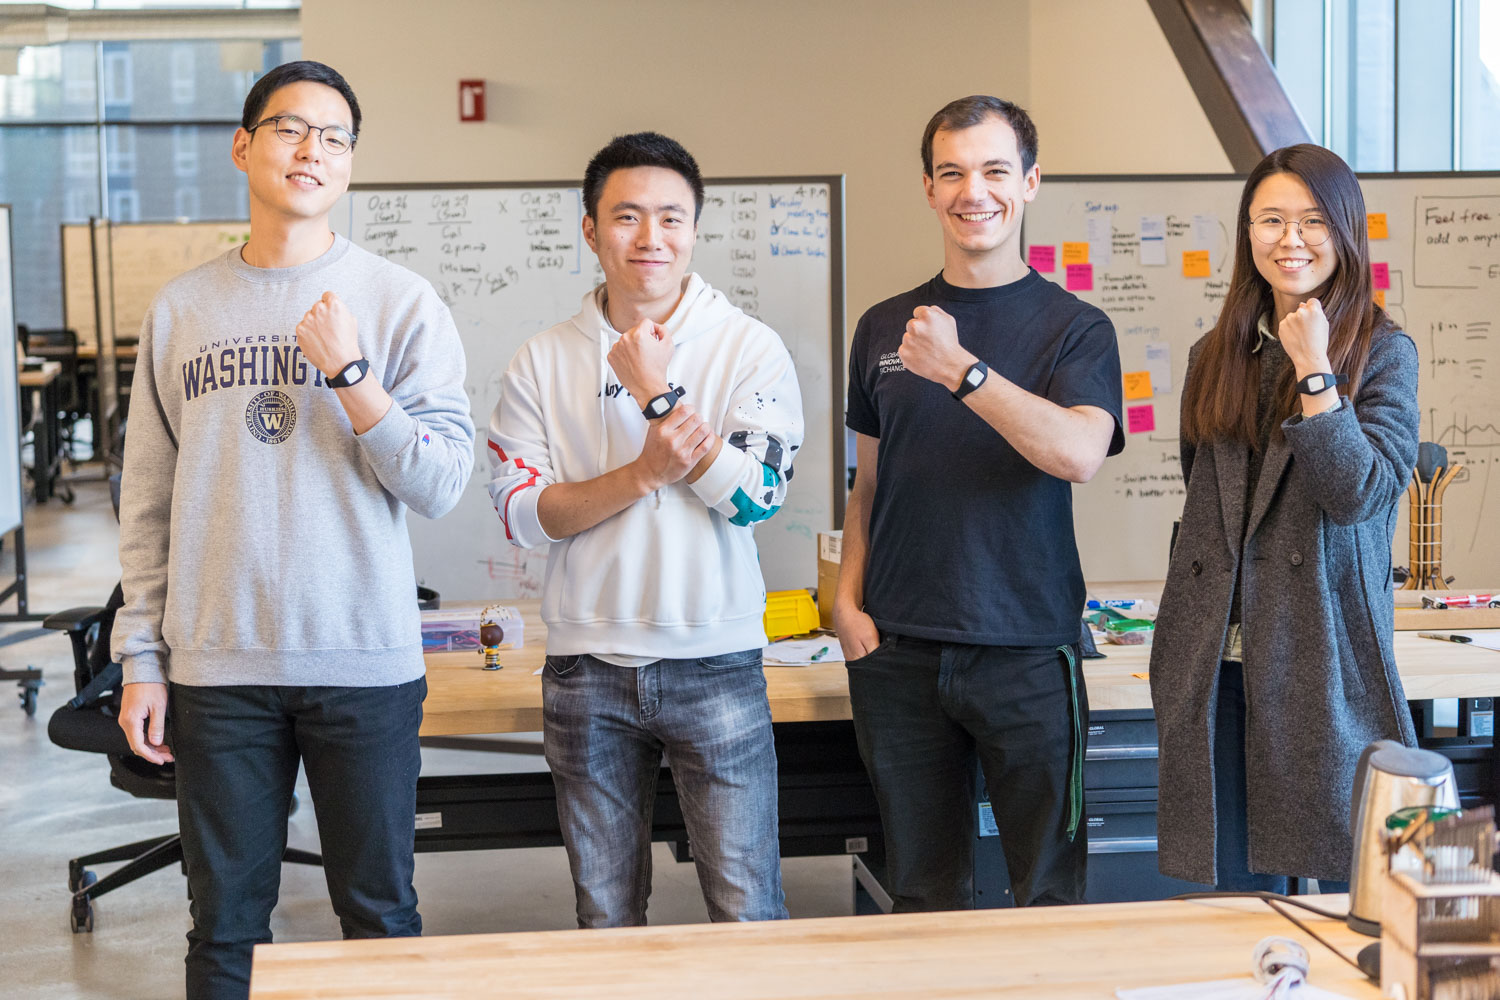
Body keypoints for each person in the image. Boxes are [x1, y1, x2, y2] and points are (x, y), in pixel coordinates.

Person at [111, 60, 475, 999]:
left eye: (335, 137)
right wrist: (141, 659)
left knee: (380, 916)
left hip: (362, 663)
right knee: (225, 925)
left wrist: (354, 378)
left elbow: (439, 482)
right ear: (244, 146)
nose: (312, 150)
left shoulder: (399, 302)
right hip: (216, 668)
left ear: (351, 166)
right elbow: (147, 501)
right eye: (289, 129)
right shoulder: (182, 309)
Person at [487, 131, 803, 927]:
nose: (650, 238)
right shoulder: (542, 359)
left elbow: (758, 499)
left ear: (696, 229)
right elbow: (524, 517)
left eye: (671, 217)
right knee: (606, 917)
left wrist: (658, 395)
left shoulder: (748, 346)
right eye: (627, 217)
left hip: (717, 661)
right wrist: (641, 475)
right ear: (591, 230)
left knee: (747, 911)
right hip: (585, 669)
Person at [834, 95, 1124, 911]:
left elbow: (1077, 453)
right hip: (898, 652)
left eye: (996, 170)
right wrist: (846, 602)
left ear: (1030, 183)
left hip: (1029, 649)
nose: (975, 191)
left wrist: (963, 371)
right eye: (953, 172)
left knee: (1047, 892)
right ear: (928, 188)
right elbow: (870, 485)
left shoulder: (1076, 328)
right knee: (922, 894)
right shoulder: (884, 326)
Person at [1150, 143, 1420, 892]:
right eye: (1271, 220)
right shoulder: (1217, 353)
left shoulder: (1384, 351)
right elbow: (1206, 498)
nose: (1290, 239)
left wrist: (1317, 372)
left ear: (1344, 232)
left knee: (1334, 890)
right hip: (1214, 657)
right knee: (1232, 896)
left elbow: (1363, 494)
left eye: (1311, 221)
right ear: (1247, 234)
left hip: (1317, 653)